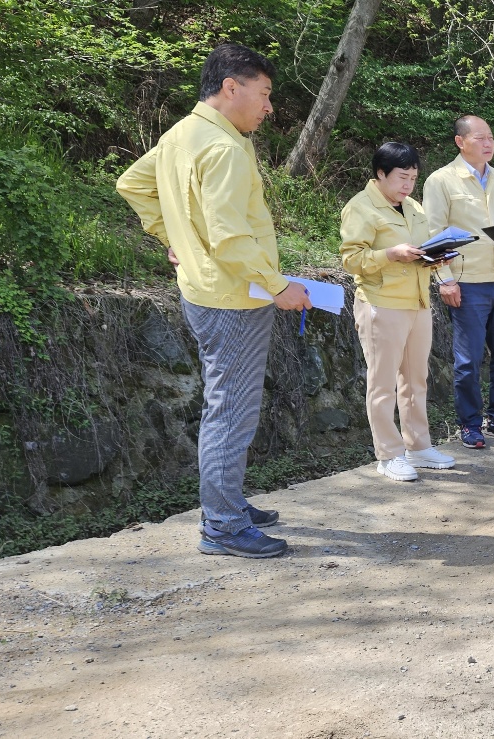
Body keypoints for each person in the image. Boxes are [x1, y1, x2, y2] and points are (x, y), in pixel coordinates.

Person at [116, 43, 310, 558]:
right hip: (233, 296)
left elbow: (132, 183)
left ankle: (227, 505)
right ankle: (222, 525)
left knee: (227, 405)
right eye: (265, 94)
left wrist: (172, 239)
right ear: (232, 88)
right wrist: (279, 286)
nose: (269, 107)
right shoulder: (223, 147)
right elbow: (230, 238)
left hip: (204, 289)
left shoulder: (184, 133)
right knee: (231, 411)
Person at [339, 142, 459, 482]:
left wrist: (438, 258)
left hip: (418, 302)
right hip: (381, 303)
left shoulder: (414, 207)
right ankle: (388, 454)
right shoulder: (360, 208)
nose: (408, 185)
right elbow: (351, 260)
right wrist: (390, 254)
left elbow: (423, 248)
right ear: (380, 174)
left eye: (413, 178)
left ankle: (418, 446)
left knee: (415, 379)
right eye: (402, 177)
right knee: (382, 384)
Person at [422, 115, 494, 449]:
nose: (488, 144)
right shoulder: (441, 181)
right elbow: (432, 235)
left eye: (491, 138)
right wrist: (444, 281)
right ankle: (470, 424)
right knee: (468, 360)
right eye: (480, 138)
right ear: (460, 141)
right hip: (466, 281)